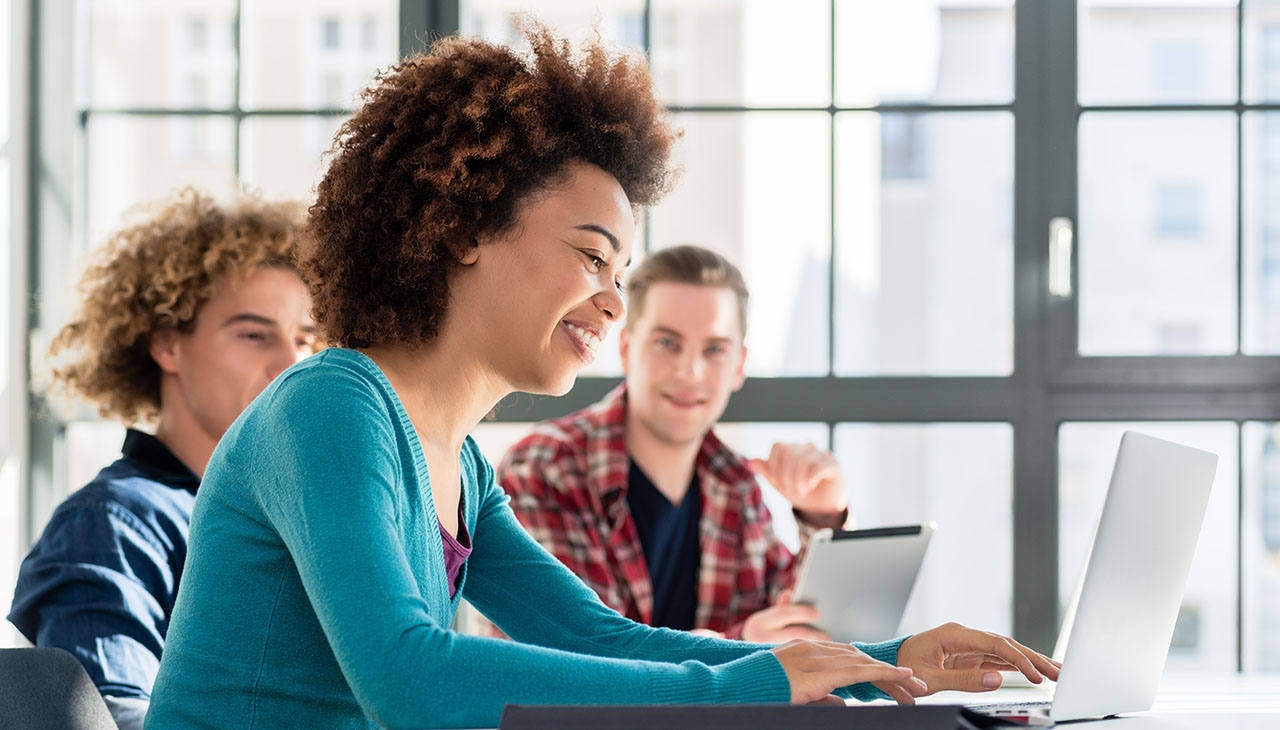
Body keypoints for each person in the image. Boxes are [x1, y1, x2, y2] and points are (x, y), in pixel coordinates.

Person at [145, 26, 1058, 730]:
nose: (612, 304)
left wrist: (882, 661)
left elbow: (595, 635)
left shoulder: (460, 468)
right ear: (464, 229)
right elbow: (411, 680)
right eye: (592, 256)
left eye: (621, 274)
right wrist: (750, 683)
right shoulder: (328, 408)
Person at [7, 189, 317, 730]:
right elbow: (115, 719)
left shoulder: (293, 519)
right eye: (253, 335)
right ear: (167, 344)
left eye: (305, 340)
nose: (292, 364)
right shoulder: (112, 525)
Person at [497, 245, 857, 642]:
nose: (690, 371)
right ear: (628, 349)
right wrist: (745, 651)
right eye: (667, 343)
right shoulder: (544, 468)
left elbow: (798, 620)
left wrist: (825, 515)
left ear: (738, 366)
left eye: (715, 349)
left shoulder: (735, 483)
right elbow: (583, 658)